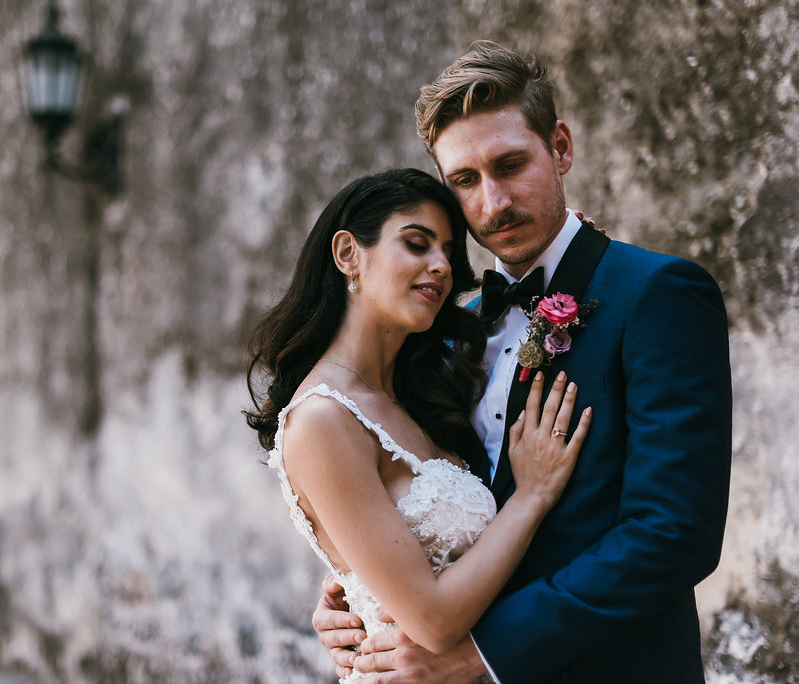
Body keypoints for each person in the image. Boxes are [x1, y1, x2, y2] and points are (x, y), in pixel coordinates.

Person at [312, 41, 732, 683]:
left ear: (560, 148)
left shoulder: (658, 294)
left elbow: (673, 533)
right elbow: (414, 497)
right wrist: (354, 590)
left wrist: (483, 653)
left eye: (511, 165)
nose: (493, 202)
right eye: (465, 181)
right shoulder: (451, 327)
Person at [246, 167, 592, 681]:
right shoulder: (323, 418)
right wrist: (532, 495)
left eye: (449, 252)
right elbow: (431, 619)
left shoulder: (418, 393)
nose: (441, 267)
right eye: (416, 244)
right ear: (348, 255)